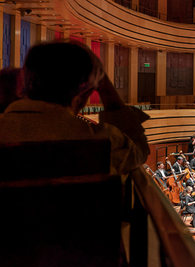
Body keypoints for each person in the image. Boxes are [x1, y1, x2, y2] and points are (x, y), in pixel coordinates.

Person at [0, 42, 149, 177]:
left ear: (20, 84)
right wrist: (104, 85)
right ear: (84, 95)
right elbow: (139, 150)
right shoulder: (103, 142)